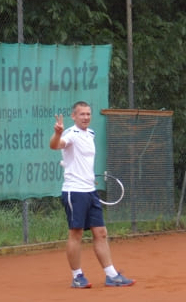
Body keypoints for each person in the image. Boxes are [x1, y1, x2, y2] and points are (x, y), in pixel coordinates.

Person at [49, 101, 135, 288]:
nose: (86, 117)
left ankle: (111, 275)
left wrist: (89, 177)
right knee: (76, 233)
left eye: (88, 114)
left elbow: (83, 160)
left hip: (90, 190)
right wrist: (57, 133)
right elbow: (55, 146)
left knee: (101, 232)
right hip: (75, 191)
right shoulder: (70, 135)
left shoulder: (91, 134)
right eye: (82, 114)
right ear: (74, 116)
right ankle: (77, 277)